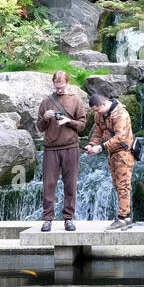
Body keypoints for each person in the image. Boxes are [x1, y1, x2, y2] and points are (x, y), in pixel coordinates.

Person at [36, 70, 89, 232]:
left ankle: (68, 218)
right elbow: (39, 127)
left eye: (62, 87)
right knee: (49, 184)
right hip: (51, 148)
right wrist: (45, 118)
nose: (59, 89)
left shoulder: (75, 101)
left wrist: (69, 121)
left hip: (71, 147)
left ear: (67, 83)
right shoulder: (46, 102)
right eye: (56, 87)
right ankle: (47, 219)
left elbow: (82, 125)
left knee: (70, 184)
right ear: (53, 84)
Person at [85, 92, 136, 230]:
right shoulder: (99, 114)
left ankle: (123, 217)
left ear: (103, 104)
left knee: (123, 185)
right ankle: (127, 217)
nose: (96, 113)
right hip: (111, 153)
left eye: (97, 109)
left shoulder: (121, 114)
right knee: (117, 184)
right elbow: (98, 132)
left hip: (124, 153)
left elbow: (121, 137)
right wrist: (91, 144)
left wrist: (100, 147)